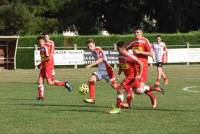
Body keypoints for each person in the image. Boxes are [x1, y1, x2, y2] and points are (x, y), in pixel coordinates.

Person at [109, 41, 164, 114]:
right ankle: (154, 89)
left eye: (118, 49)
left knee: (120, 90)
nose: (117, 50)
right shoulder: (120, 56)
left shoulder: (129, 55)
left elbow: (140, 63)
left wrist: (139, 75)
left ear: (123, 48)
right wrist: (118, 75)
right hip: (129, 76)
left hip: (132, 76)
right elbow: (122, 66)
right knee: (138, 91)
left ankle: (118, 108)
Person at [125, 27, 159, 108]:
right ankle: (128, 103)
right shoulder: (132, 41)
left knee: (139, 90)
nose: (136, 34)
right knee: (131, 86)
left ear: (141, 33)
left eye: (137, 32)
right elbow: (125, 48)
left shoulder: (145, 40)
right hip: (133, 67)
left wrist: (140, 52)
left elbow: (151, 54)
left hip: (142, 67)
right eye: (135, 32)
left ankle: (152, 96)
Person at [36, 36, 72, 100]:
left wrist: (40, 61)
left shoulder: (45, 48)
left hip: (48, 67)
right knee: (40, 82)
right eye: (39, 42)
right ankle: (41, 96)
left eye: (42, 41)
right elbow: (43, 58)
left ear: (44, 42)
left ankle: (64, 83)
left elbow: (49, 57)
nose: (40, 43)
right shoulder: (41, 49)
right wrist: (40, 64)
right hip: (43, 67)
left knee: (50, 82)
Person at [83, 38, 117, 104]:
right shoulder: (93, 51)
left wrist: (90, 65)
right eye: (88, 47)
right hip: (101, 71)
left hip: (108, 71)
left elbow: (101, 59)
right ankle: (92, 99)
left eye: (90, 46)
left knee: (115, 86)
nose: (89, 48)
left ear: (94, 44)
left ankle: (129, 89)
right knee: (91, 80)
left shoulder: (97, 49)